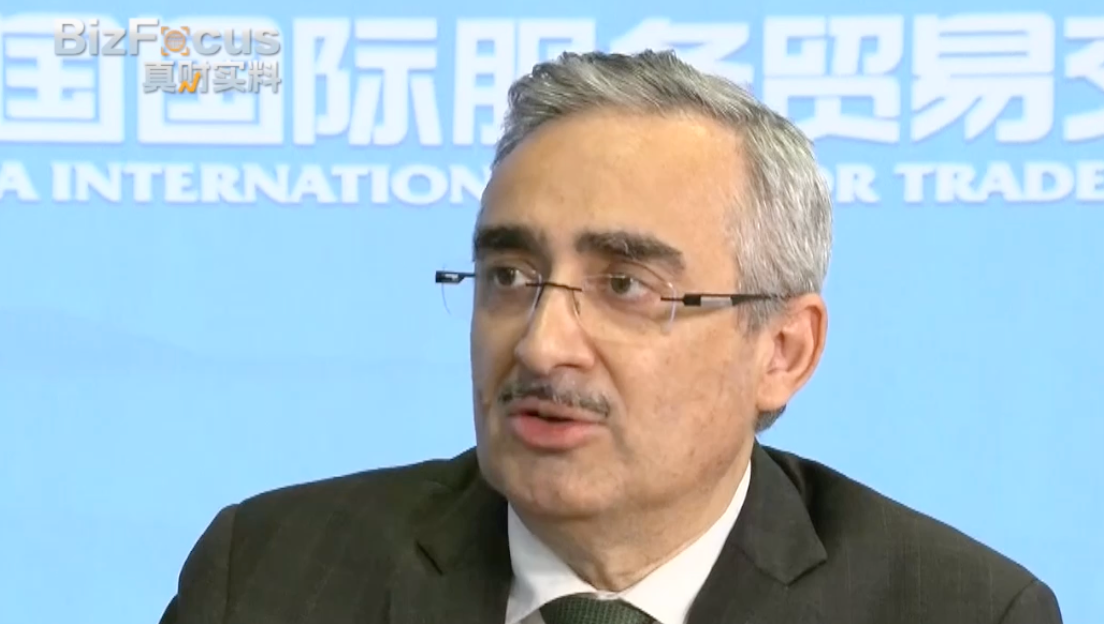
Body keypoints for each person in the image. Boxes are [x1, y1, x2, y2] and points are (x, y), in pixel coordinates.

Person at [159, 50, 1062, 624]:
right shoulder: (270, 575)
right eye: (509, 276)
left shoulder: (960, 610)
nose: (541, 346)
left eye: (626, 286)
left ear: (782, 351)